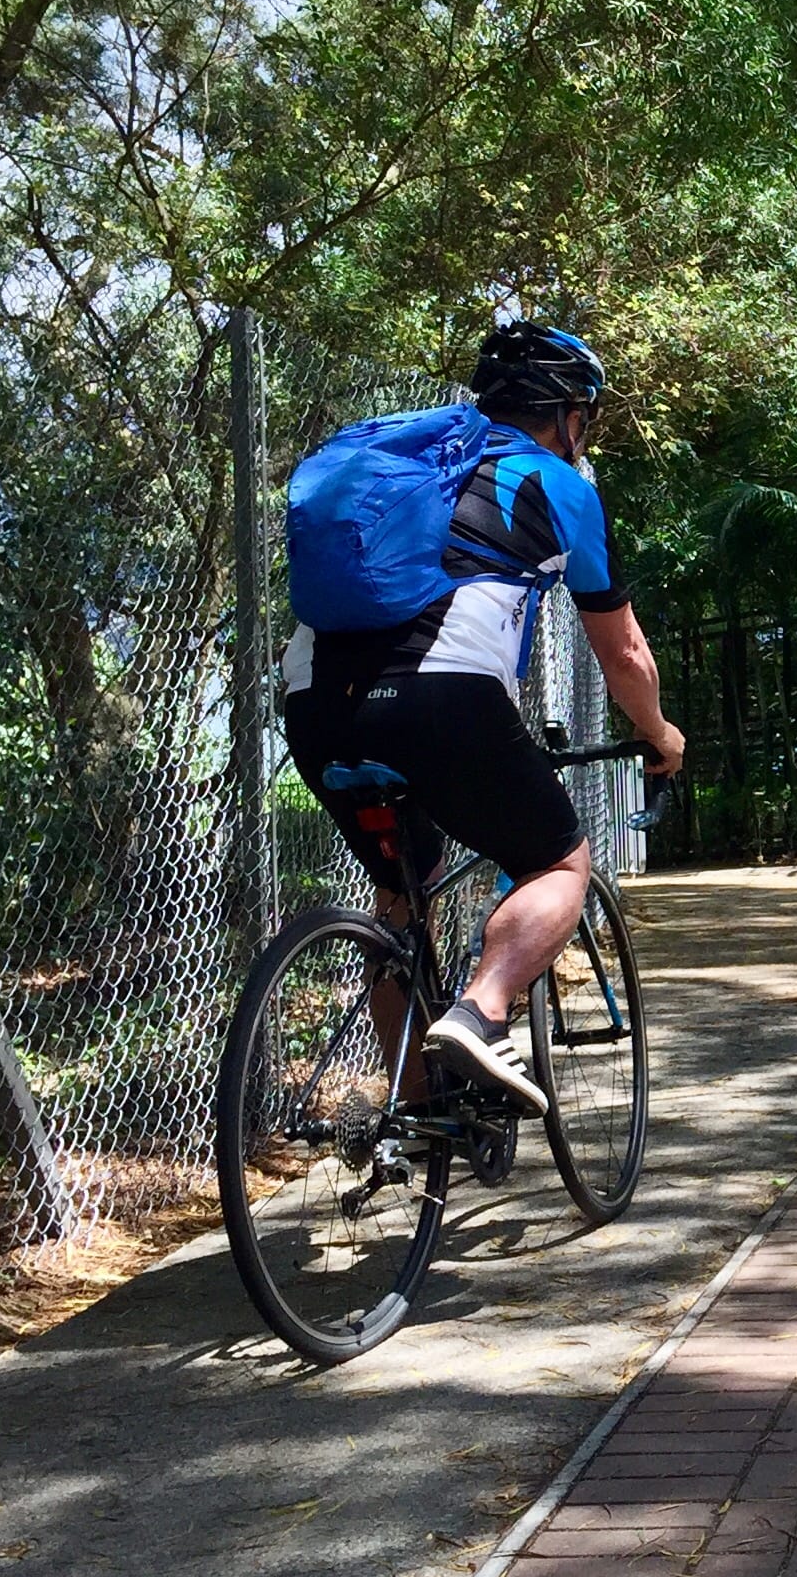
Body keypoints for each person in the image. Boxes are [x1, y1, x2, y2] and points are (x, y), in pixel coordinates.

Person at [281, 320, 687, 1108]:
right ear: (566, 413)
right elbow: (625, 652)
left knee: (403, 899)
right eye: (586, 416)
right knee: (560, 864)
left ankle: (418, 1105)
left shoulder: (412, 469)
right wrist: (657, 733)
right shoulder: (559, 485)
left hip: (313, 706)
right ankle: (480, 1012)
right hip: (440, 701)